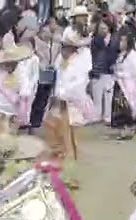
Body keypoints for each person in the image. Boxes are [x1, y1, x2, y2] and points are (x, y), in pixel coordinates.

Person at [43, 31, 94, 185]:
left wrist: (63, 94)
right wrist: (56, 95)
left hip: (72, 106)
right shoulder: (60, 60)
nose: (64, 49)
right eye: (63, 46)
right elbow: (57, 81)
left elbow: (80, 84)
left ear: (73, 49)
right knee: (54, 135)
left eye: (67, 47)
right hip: (58, 104)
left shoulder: (79, 64)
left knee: (71, 141)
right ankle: (57, 171)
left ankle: (71, 176)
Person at [110, 32, 136, 140]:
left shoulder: (132, 54)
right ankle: (124, 129)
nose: (120, 43)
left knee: (126, 107)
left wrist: (122, 74)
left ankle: (129, 128)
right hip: (120, 84)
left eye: (123, 41)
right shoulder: (121, 54)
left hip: (129, 84)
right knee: (120, 107)